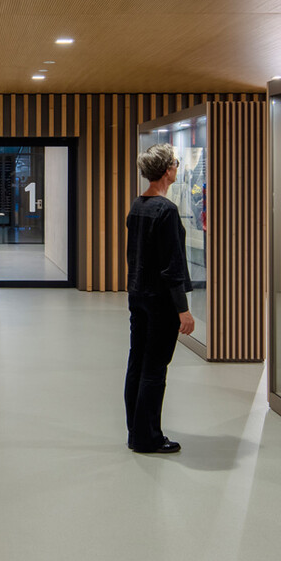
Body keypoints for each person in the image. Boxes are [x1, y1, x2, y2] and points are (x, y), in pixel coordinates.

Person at [124, 143, 195, 453]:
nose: (176, 168)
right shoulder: (166, 210)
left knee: (137, 363)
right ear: (168, 170)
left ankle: (135, 431)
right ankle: (148, 437)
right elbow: (172, 265)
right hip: (160, 301)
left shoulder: (138, 205)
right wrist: (183, 310)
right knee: (155, 369)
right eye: (175, 163)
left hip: (138, 295)